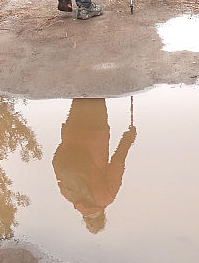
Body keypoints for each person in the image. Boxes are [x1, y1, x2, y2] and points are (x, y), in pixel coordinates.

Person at [52, 98, 136, 233]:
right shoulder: (68, 195)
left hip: (96, 134)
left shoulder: (106, 198)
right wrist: (66, 143)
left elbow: (117, 163)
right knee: (80, 92)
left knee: (96, 91)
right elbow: (58, 163)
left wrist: (128, 138)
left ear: (103, 217)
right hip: (71, 133)